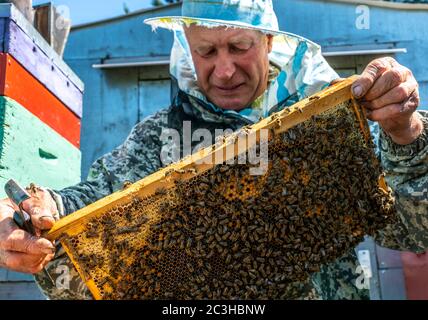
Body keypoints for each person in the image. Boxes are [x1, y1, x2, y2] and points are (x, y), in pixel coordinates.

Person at [0, 0, 427, 300]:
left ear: (269, 42)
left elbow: (410, 230)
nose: (223, 70)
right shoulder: (161, 138)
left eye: (239, 47)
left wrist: (406, 134)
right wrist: (27, 214)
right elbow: (87, 205)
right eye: (206, 50)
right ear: (187, 47)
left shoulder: (327, 122)